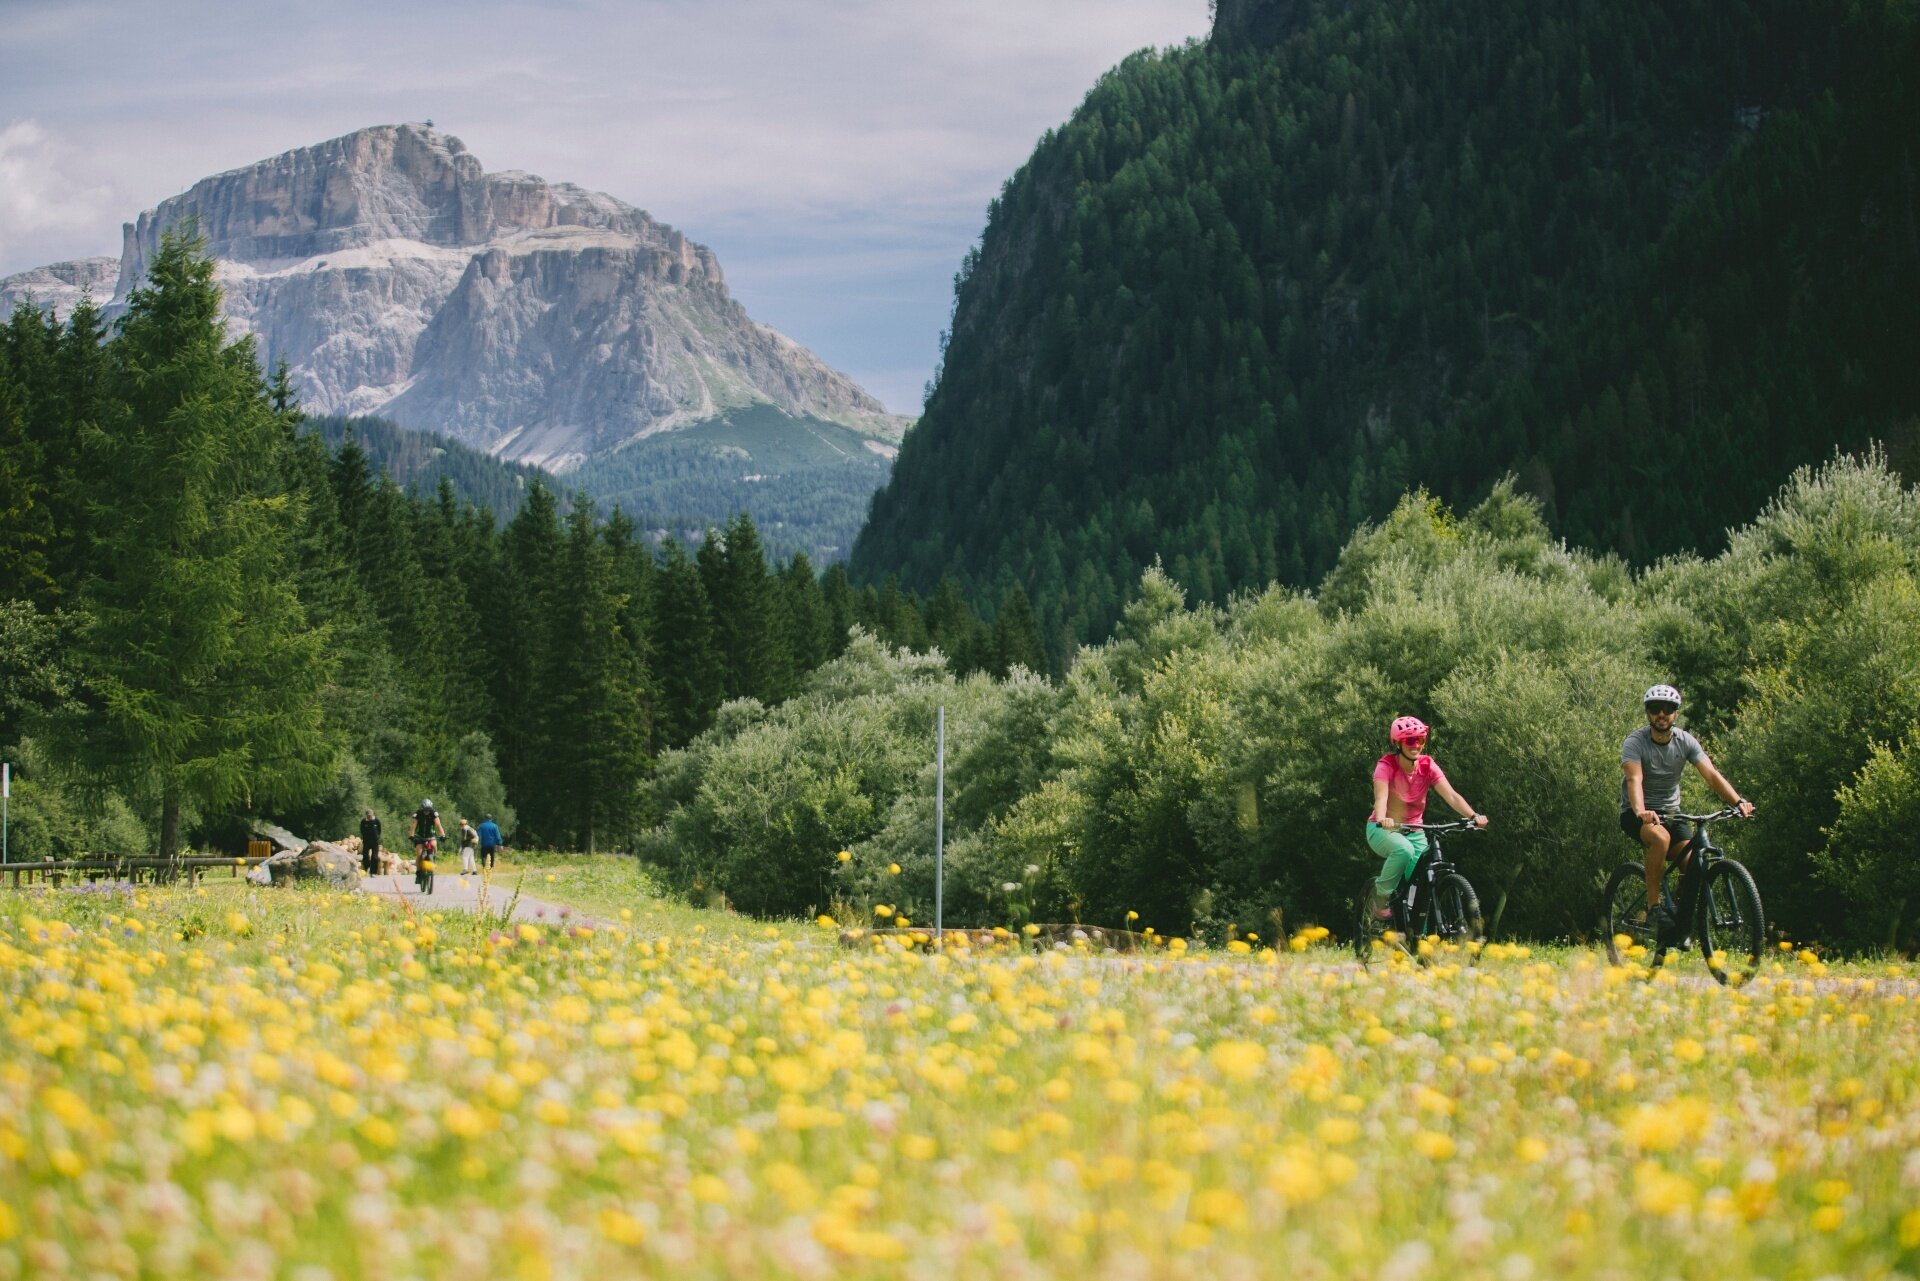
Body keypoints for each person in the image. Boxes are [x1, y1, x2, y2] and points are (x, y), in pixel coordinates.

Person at [1621, 684, 1754, 942]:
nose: (1662, 714)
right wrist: (1641, 812)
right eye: (1655, 709)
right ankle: (1654, 908)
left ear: (1676, 714)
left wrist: (1738, 801)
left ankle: (1681, 923)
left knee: (1692, 861)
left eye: (1668, 709)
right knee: (1660, 839)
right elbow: (1633, 780)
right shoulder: (1635, 742)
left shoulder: (1685, 741)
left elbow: (1712, 776)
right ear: (1648, 712)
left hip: (1672, 813)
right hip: (1637, 811)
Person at [1365, 716, 1488, 919]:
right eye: (1410, 740)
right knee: (1403, 850)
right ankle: (1380, 897)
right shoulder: (1385, 766)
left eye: (1420, 740)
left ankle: (1420, 941)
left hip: (1415, 831)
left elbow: (1451, 795)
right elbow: (1381, 798)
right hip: (1383, 829)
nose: (1416, 745)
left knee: (1423, 886)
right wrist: (1382, 818)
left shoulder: (1428, 765)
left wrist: (1473, 816)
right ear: (1398, 743)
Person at [411, 799, 444, 891]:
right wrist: (411, 835)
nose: (427, 812)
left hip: (430, 835)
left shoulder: (434, 814)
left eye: (428, 810)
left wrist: (442, 835)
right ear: (422, 809)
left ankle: (433, 858)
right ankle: (418, 873)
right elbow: (413, 825)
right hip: (420, 835)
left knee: (433, 844)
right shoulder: (418, 814)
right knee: (419, 853)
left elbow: (438, 825)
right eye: (425, 810)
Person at [359, 808, 382, 877]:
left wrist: (377, 837)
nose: (369, 817)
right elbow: (362, 829)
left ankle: (373, 872)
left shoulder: (376, 821)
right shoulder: (364, 821)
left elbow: (379, 830)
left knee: (374, 857)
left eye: (370, 815)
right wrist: (364, 837)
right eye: (368, 815)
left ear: (373, 814)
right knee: (365, 856)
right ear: (366, 815)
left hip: (375, 842)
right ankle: (367, 869)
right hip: (366, 841)